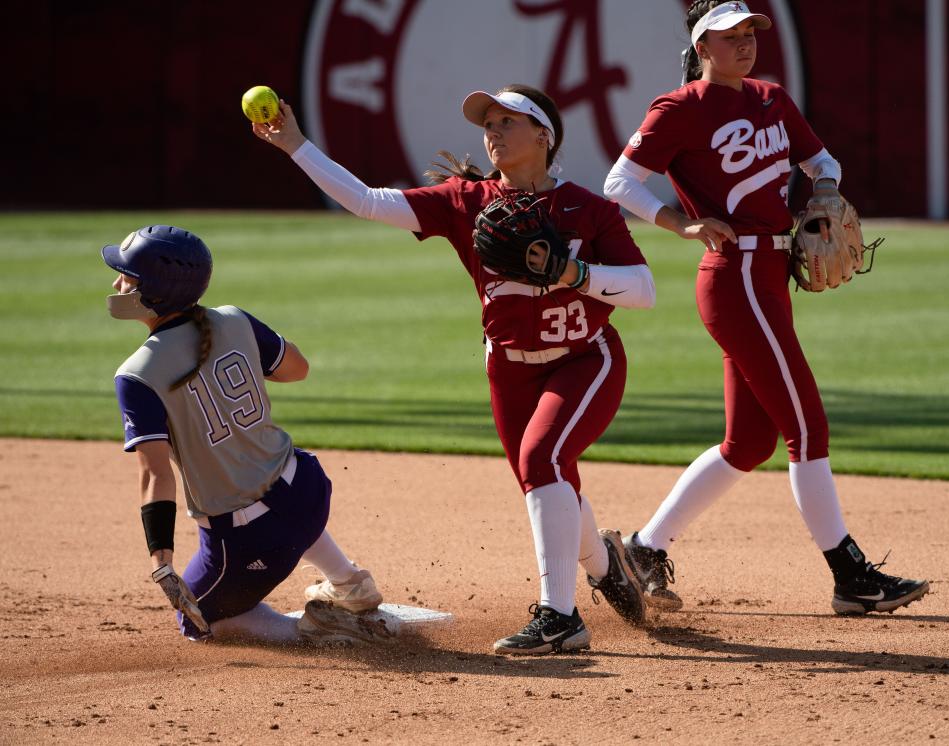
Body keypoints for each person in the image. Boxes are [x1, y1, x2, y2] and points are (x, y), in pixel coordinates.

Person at [251, 84, 656, 654]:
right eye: (486, 123)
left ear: (544, 135)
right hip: (509, 370)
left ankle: (559, 617)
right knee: (546, 479)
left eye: (505, 121)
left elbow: (644, 290)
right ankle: (607, 565)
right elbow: (368, 201)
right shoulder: (466, 200)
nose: (491, 131)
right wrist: (297, 145)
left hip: (585, 360)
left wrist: (573, 273)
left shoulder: (587, 209)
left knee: (544, 462)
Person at [604, 1, 929, 615]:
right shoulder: (680, 109)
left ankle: (644, 547)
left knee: (749, 442)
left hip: (771, 274)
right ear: (703, 48)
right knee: (807, 427)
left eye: (750, 31)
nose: (745, 43)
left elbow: (821, 162)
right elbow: (620, 183)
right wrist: (682, 223)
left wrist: (826, 190)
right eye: (730, 35)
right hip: (736, 277)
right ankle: (851, 576)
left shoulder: (771, 99)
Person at [104, 224, 391, 647]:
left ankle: (311, 632)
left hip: (251, 538)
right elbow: (297, 369)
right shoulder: (233, 319)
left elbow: (155, 477)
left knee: (199, 623)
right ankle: (348, 582)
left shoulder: (137, 373)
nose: (117, 283)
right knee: (281, 489)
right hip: (308, 490)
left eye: (126, 276)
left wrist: (161, 558)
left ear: (152, 292)